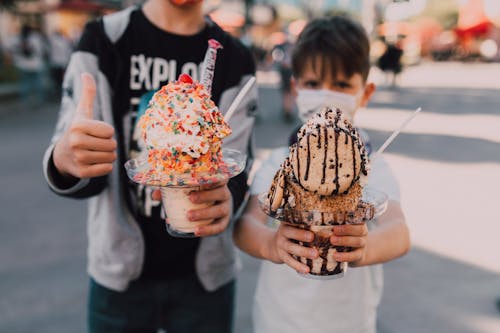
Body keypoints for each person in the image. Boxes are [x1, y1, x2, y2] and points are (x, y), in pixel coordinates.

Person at [42, 0, 257, 332]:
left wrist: (226, 199)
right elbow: (73, 148)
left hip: (207, 279)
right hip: (118, 276)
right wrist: (66, 159)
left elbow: (237, 163)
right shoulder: (104, 40)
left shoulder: (234, 56)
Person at [233, 15, 410, 333]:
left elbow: (399, 231)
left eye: (341, 85)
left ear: (365, 93)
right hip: (278, 320)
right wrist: (272, 245)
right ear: (295, 88)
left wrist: (364, 248)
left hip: (350, 322)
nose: (326, 96)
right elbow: (246, 226)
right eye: (313, 84)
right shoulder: (279, 162)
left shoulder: (371, 166)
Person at [7, 24, 46, 106]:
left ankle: (25, 101)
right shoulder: (35, 38)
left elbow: (10, 48)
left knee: (25, 83)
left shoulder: (18, 38)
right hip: (35, 64)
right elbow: (41, 50)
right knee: (38, 83)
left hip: (23, 65)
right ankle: (39, 100)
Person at [47, 29, 73, 98]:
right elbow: (68, 51)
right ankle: (63, 93)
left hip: (55, 63)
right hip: (63, 63)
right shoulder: (64, 40)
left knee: (57, 81)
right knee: (63, 80)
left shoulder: (52, 40)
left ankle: (58, 94)